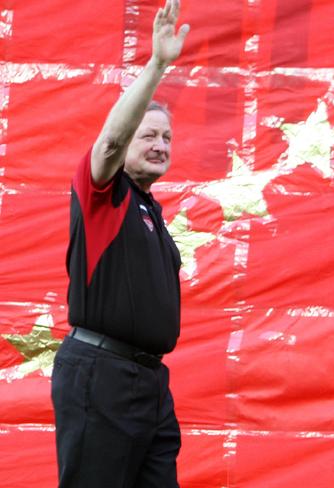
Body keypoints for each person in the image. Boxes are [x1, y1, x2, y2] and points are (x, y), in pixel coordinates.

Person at [50, 1, 189, 486]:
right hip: (101, 374)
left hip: (149, 383)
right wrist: (157, 65)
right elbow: (109, 143)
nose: (160, 145)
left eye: (168, 138)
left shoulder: (151, 209)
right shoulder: (102, 195)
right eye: (148, 135)